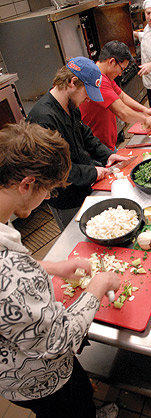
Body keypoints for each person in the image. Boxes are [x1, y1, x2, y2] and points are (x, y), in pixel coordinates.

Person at [0, 121, 120, 418]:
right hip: (33, 378)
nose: (49, 198)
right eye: (50, 191)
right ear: (26, 184)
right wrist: (99, 283)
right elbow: (60, 339)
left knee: (79, 390)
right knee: (68, 409)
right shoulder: (10, 272)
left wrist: (56, 266)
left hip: (30, 358)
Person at [27, 56, 129, 230]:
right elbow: (56, 170)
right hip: (66, 197)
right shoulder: (43, 118)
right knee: (76, 234)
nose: (88, 99)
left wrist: (108, 154)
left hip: (84, 185)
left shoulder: (71, 106)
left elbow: (86, 136)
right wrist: (93, 172)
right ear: (73, 82)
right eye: (87, 93)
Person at [80, 40, 151, 151]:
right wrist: (145, 119)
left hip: (107, 143)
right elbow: (123, 112)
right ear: (111, 61)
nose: (120, 74)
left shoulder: (104, 75)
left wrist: (145, 110)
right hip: (97, 148)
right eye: (121, 69)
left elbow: (121, 96)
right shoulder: (97, 80)